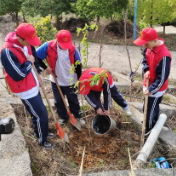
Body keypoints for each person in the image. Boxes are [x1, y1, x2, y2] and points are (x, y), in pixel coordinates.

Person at [0, 23, 53, 150]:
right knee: (41, 114)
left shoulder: (26, 43)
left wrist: (38, 74)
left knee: (37, 113)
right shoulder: (7, 52)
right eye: (28, 41)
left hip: (32, 83)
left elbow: (34, 57)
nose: (30, 44)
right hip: (25, 89)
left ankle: (41, 132)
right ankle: (42, 140)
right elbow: (18, 74)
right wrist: (29, 63)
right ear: (20, 38)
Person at [36, 30, 85, 124]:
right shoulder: (48, 46)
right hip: (56, 80)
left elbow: (78, 65)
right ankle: (63, 117)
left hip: (71, 80)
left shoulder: (74, 49)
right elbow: (36, 57)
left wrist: (79, 80)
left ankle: (77, 116)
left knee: (73, 99)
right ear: (57, 40)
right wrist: (46, 68)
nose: (65, 46)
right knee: (58, 100)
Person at [133, 28, 172, 134]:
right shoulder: (149, 48)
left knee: (150, 109)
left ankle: (149, 128)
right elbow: (145, 59)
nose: (144, 46)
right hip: (149, 82)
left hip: (156, 87)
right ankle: (148, 122)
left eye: (146, 44)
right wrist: (146, 69)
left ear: (154, 41)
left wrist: (151, 89)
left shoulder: (164, 56)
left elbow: (162, 78)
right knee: (148, 106)